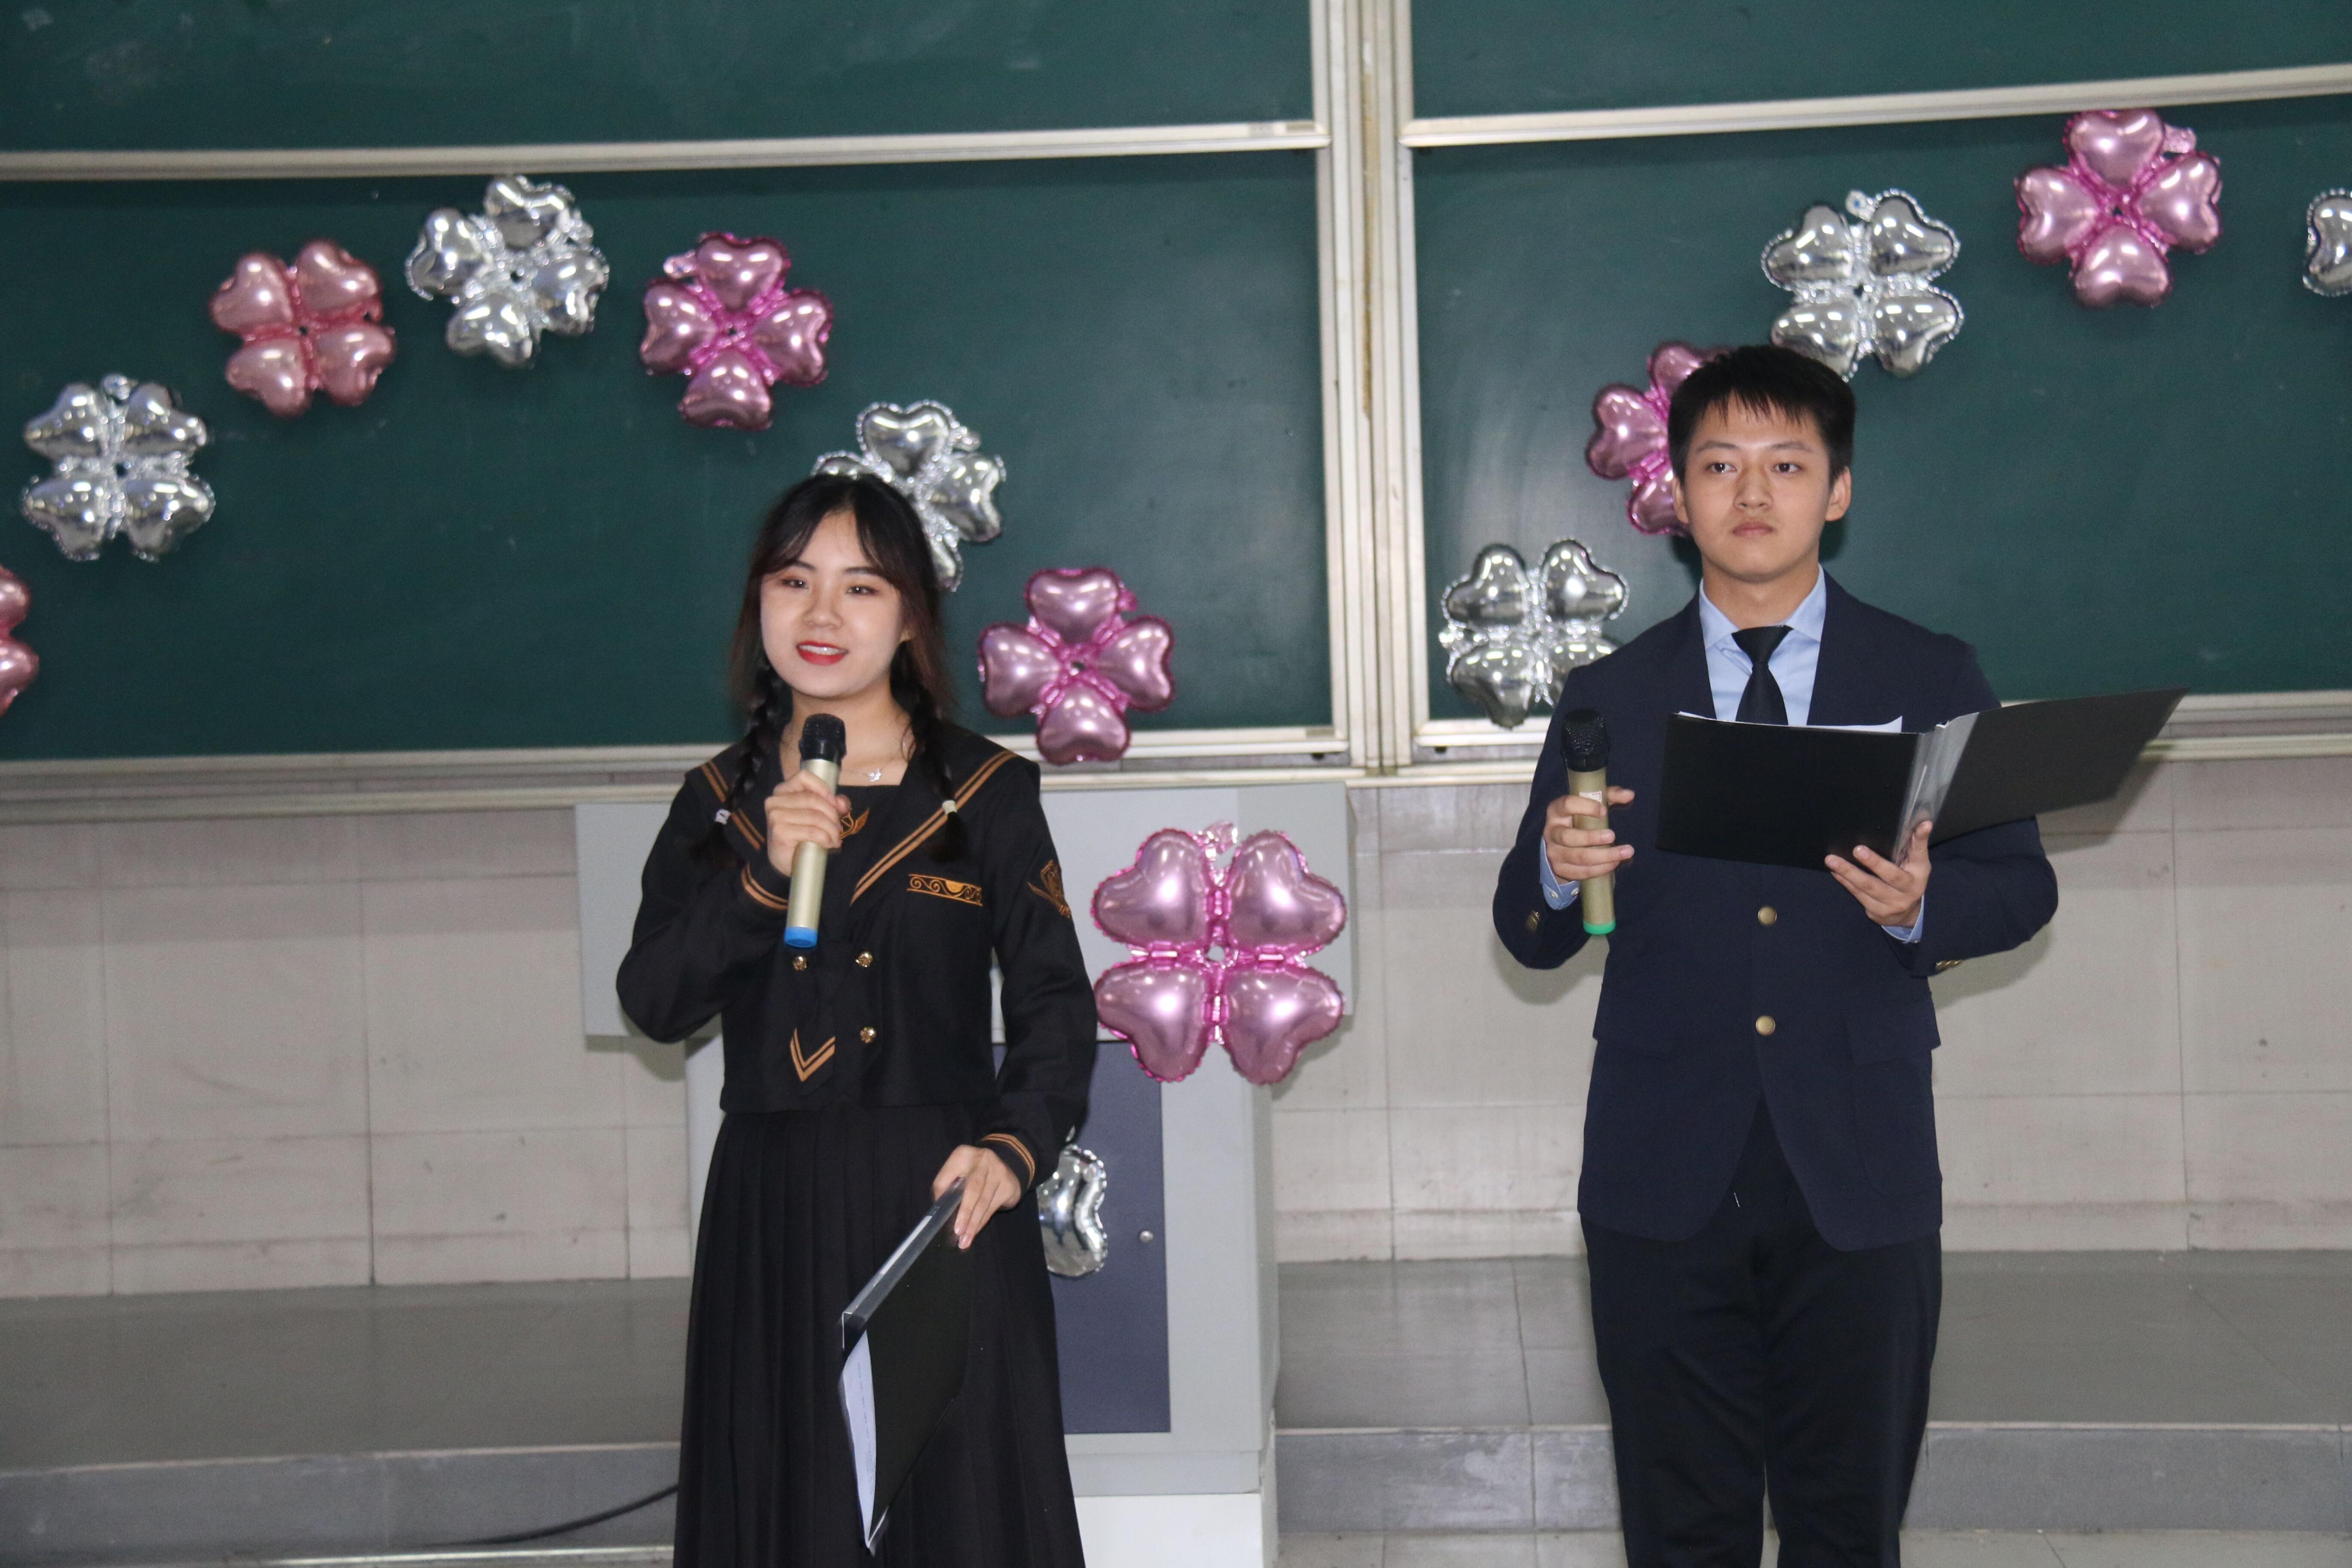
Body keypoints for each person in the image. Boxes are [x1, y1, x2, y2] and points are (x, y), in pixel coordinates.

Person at [1493, 346, 2058, 1567]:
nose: (1753, 493)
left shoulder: (1926, 672)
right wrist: (1555, 867)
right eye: (1720, 465)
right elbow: (1528, 934)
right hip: (1660, 1168)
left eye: (1788, 465)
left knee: (1846, 1527)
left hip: (1857, 1166)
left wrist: (1919, 905)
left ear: (1837, 491)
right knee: (1679, 1530)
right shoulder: (1611, 692)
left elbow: (2020, 887)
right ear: (1677, 493)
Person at [619, 471, 1096, 1568]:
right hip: (773, 1205)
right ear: (758, 604)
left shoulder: (982, 793)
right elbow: (654, 1001)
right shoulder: (718, 804)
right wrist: (761, 876)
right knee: (792, 1503)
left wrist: (1013, 1149)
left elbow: (1053, 1004)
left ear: (911, 618)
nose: (822, 615)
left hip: (942, 1200)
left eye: (861, 588)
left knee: (957, 1509)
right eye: (794, 582)